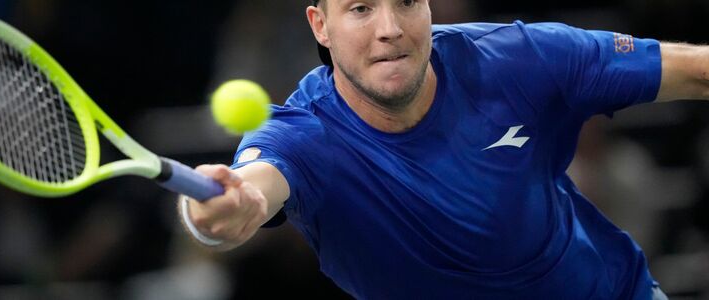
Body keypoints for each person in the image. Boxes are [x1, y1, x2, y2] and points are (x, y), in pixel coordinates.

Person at [179, 0, 703, 298]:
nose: (390, 29)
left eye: (406, 1)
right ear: (321, 26)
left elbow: (698, 70)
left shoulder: (519, 59)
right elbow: (247, 192)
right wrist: (218, 211)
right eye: (361, 8)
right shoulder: (301, 135)